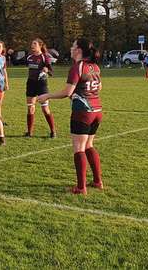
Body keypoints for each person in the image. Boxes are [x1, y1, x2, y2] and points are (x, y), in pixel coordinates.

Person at [38, 38, 103, 195]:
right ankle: (97, 181)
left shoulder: (77, 67)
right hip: (97, 110)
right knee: (89, 145)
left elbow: (67, 92)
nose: (71, 48)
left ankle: (81, 188)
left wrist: (47, 96)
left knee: (79, 148)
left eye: (73, 46)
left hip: (83, 112)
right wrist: (79, 94)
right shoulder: (94, 66)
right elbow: (99, 87)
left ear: (79, 50)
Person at [25, 38, 56, 138]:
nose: (32, 45)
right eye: (32, 43)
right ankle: (29, 132)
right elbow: (16, 62)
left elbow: (51, 72)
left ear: (40, 46)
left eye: (35, 44)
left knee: (45, 109)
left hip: (42, 84)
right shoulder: (29, 57)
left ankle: (53, 131)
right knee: (30, 108)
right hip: (31, 84)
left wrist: (47, 70)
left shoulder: (44, 57)